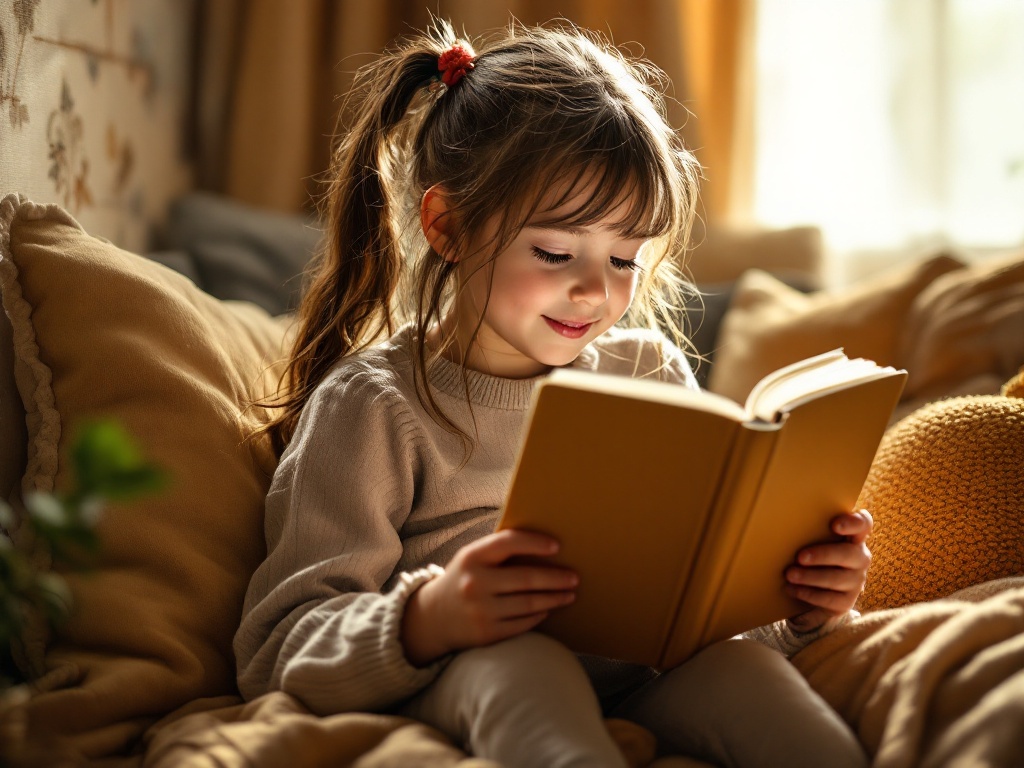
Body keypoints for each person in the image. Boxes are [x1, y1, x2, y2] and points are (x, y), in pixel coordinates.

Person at [234, 19, 871, 768]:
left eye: (626, 258)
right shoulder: (375, 405)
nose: (596, 290)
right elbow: (278, 647)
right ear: (448, 224)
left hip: (646, 675)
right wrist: (428, 619)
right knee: (523, 668)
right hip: (471, 667)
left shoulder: (648, 373)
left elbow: (693, 616)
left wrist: (797, 604)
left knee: (767, 694)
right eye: (555, 252)